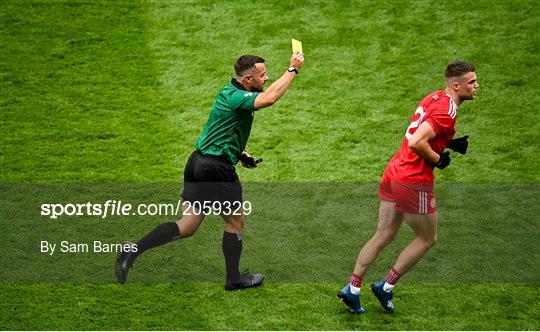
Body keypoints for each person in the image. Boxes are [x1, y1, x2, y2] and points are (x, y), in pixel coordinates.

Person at [115, 52, 304, 290]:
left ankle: (132, 250)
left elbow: (221, 129)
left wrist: (240, 154)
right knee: (235, 221)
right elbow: (270, 98)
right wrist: (293, 69)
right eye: (262, 75)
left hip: (197, 163)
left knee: (187, 225)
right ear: (247, 80)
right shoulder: (238, 97)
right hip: (216, 169)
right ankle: (234, 279)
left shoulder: (229, 93)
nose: (266, 78)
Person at [338, 61, 479, 313]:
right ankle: (386, 286)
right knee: (427, 238)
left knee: (383, 234)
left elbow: (424, 129)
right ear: (456, 85)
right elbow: (416, 141)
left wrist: (448, 142)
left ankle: (353, 288)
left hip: (394, 172)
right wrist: (438, 158)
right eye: (472, 82)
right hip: (414, 180)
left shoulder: (435, 97)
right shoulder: (447, 110)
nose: (477, 86)